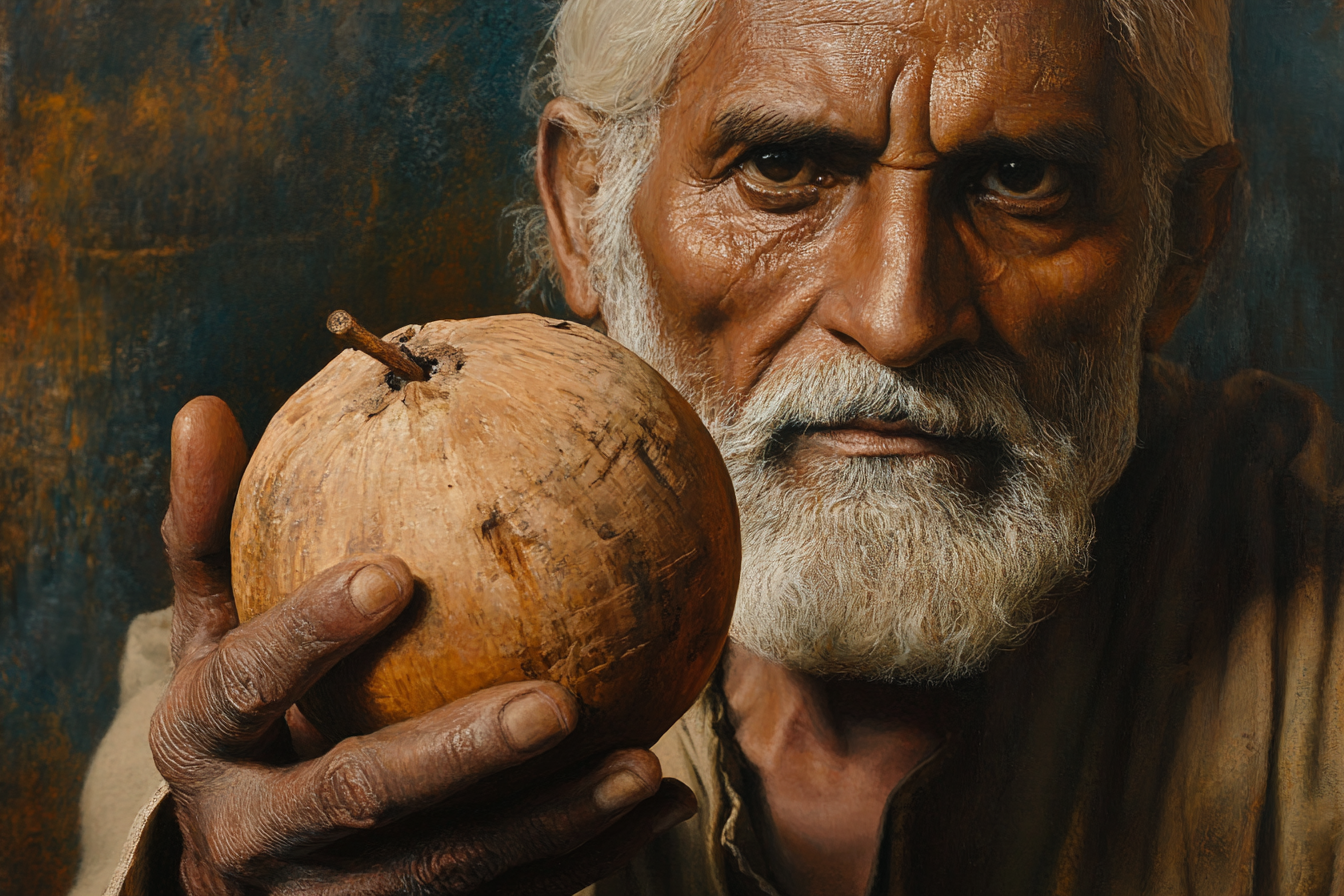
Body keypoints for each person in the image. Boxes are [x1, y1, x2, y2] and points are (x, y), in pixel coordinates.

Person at [72, 0, 1344, 893]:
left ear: (1181, 242)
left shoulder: (1316, 614)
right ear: (586, 207)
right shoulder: (309, 669)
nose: (897, 318)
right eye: (783, 167)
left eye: (1020, 180)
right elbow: (173, 789)